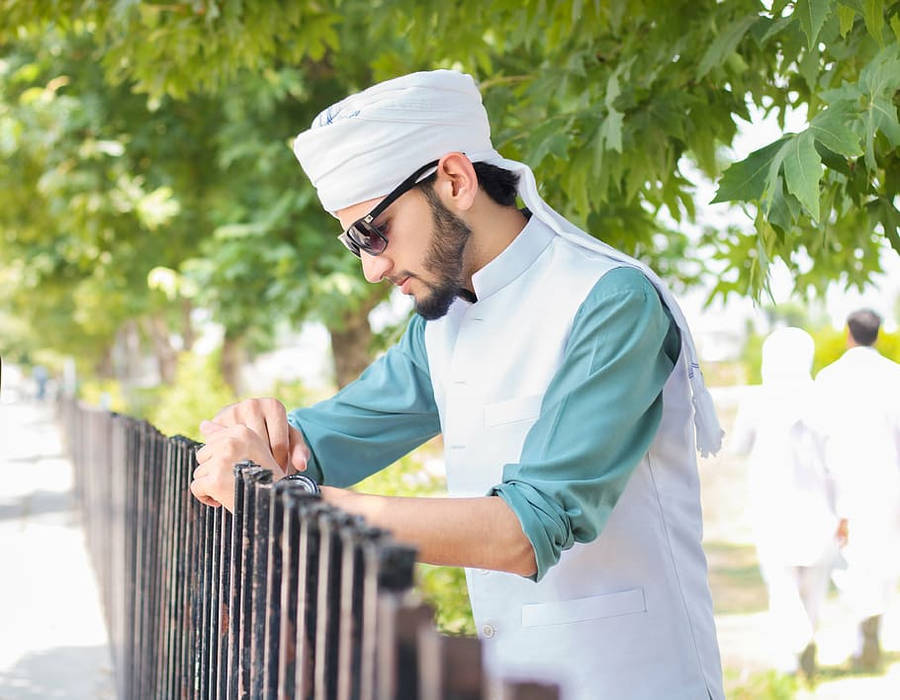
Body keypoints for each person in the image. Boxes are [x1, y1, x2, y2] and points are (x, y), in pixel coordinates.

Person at [190, 70, 725, 699]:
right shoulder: (442, 326)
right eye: (352, 241)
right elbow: (318, 443)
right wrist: (256, 433)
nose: (371, 267)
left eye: (375, 230)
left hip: (633, 682)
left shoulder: (610, 302)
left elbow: (525, 531)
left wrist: (291, 505)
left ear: (454, 180)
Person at [731, 327, 841, 678]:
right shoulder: (823, 398)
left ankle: (796, 648)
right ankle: (805, 645)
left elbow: (737, 447)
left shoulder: (758, 400)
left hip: (772, 505)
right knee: (814, 586)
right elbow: (836, 456)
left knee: (782, 585)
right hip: (819, 505)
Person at [814, 308, 900, 671]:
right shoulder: (894, 376)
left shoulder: (828, 378)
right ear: (877, 336)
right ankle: (871, 631)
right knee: (881, 560)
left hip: (841, 479)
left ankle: (862, 635)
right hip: (885, 479)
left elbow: (818, 436)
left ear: (849, 334)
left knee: (849, 562)